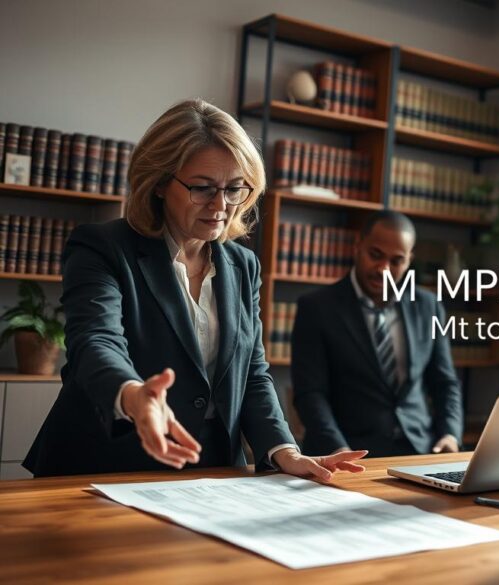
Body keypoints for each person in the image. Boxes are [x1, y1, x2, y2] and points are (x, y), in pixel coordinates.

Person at [24, 99, 367, 481]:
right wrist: (134, 395)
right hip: (103, 464)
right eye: (203, 188)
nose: (221, 205)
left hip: (212, 470)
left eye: (235, 188)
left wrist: (284, 450)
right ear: (158, 183)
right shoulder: (102, 246)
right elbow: (96, 342)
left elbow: (252, 372)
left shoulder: (242, 264)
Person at [291, 210, 463, 457]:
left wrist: (450, 434)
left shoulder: (428, 306)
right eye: (376, 255)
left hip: (419, 451)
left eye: (396, 261)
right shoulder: (317, 308)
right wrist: (338, 450)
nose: (383, 268)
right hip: (348, 452)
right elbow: (310, 394)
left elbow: (445, 382)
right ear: (358, 246)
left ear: (408, 260)